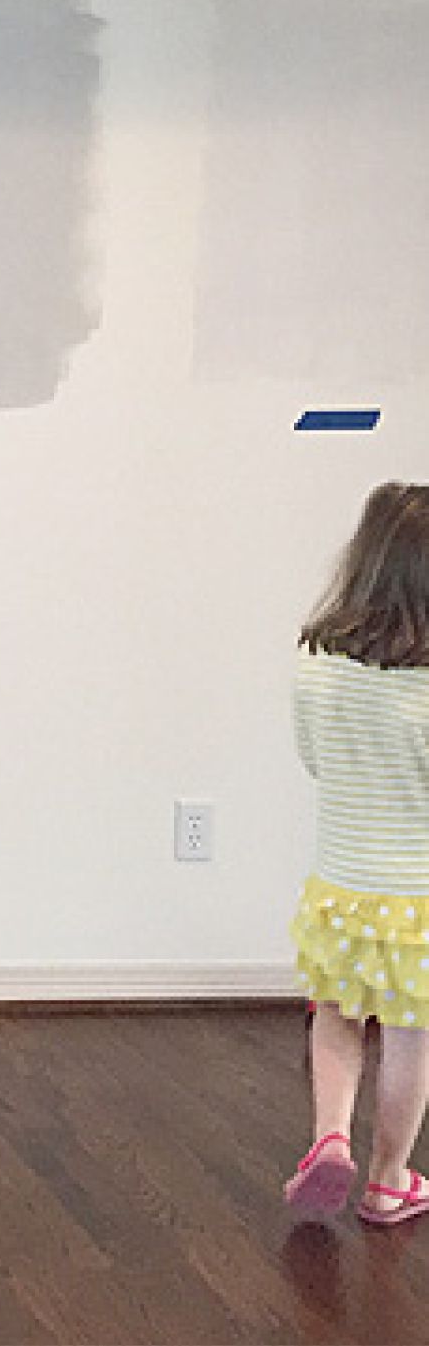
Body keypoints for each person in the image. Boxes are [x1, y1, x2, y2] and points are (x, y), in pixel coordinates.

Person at [286, 482, 429, 1225]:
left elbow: (314, 759)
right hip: (420, 902)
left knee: (337, 1016)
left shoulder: (317, 658)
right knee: (411, 1038)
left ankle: (329, 1138)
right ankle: (388, 1180)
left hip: (339, 888)